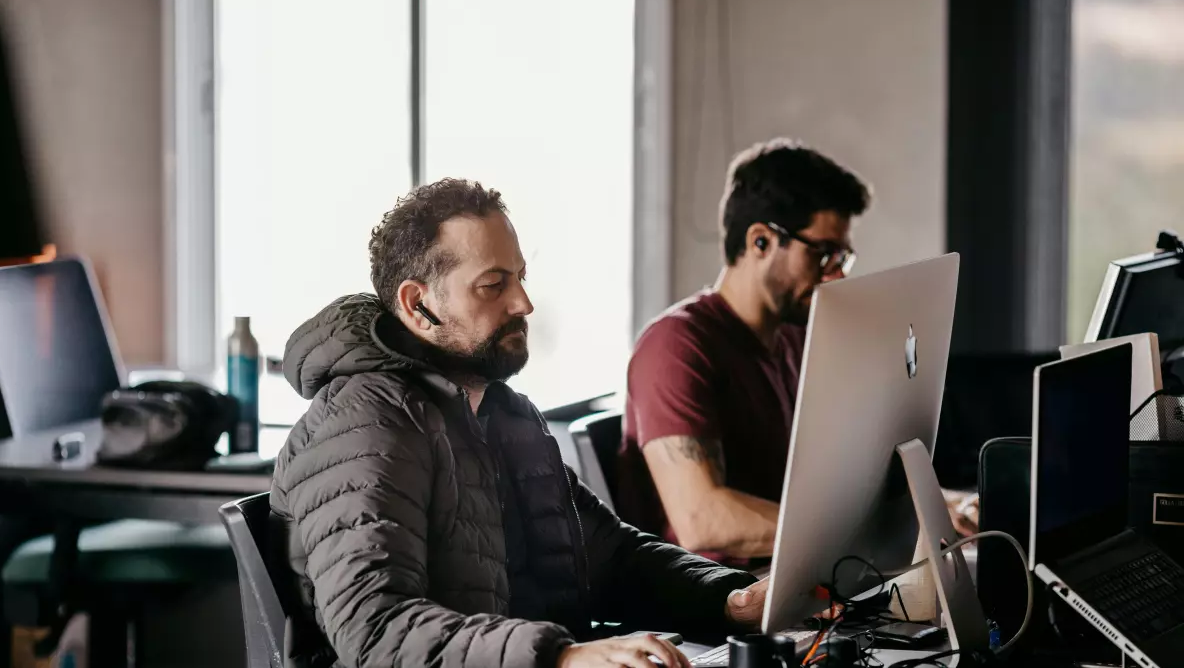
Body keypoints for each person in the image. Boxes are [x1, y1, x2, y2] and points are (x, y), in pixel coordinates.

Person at [270, 179, 768, 668]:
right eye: (493, 285)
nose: (523, 304)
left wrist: (728, 599)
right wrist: (562, 657)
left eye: (520, 278)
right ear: (417, 306)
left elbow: (610, 558)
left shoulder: (504, 413)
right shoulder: (364, 422)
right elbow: (377, 630)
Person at [618, 139, 978, 568]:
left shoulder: (795, 338)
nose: (836, 273)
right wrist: (874, 530)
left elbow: (847, 475)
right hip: (721, 599)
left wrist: (941, 503)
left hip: (797, 577)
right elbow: (702, 519)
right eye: (823, 253)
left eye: (843, 256)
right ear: (760, 241)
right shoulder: (676, 346)